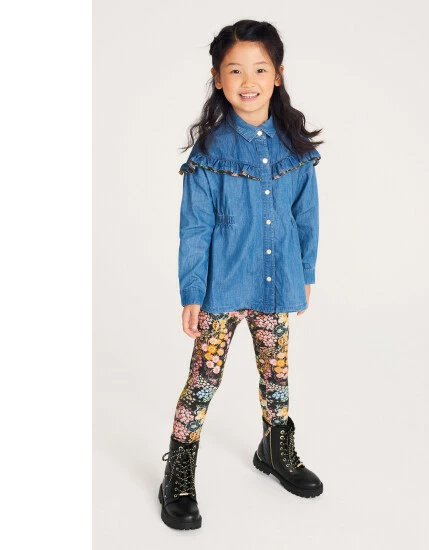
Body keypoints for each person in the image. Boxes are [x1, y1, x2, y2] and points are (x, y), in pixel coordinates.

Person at [158, 19, 324, 530]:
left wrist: (305, 270)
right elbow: (196, 226)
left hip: (277, 282)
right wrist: (192, 289)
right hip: (221, 287)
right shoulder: (210, 153)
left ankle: (275, 449)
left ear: (278, 74)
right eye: (235, 70)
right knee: (203, 380)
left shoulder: (295, 147)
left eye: (259, 69)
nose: (248, 80)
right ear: (217, 78)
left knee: (276, 373)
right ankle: (178, 473)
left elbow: (306, 215)